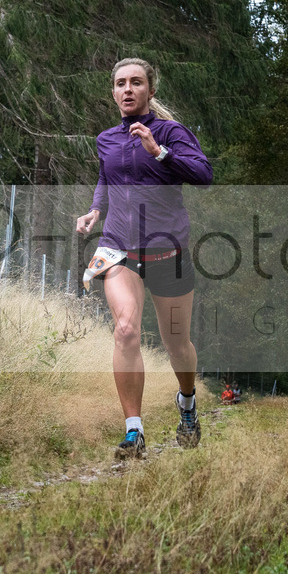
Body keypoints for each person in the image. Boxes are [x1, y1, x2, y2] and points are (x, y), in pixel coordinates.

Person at [76, 57, 212, 460]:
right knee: (125, 330)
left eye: (136, 82)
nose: (128, 89)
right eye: (121, 83)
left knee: (177, 345)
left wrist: (160, 152)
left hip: (167, 251)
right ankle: (133, 432)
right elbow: (107, 175)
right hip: (119, 248)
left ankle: (187, 405)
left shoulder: (172, 132)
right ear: (114, 92)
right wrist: (95, 210)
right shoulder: (106, 139)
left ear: (150, 90)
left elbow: (204, 174)